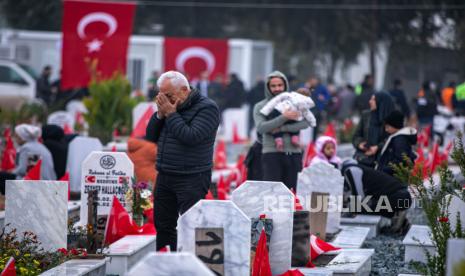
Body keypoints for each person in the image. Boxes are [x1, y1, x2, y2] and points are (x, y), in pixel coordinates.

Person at [145, 71, 220, 251]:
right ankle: (164, 267)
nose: (164, 100)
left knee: (192, 227)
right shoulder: (167, 108)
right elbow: (150, 137)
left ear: (184, 90)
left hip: (192, 177)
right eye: (161, 96)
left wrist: (171, 114)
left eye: (168, 95)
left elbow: (191, 137)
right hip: (165, 175)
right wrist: (160, 115)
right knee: (163, 227)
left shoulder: (207, 108)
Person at [253, 71, 311, 190]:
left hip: (293, 152)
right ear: (268, 87)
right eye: (273, 86)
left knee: (293, 192)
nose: (277, 88)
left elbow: (306, 122)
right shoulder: (260, 106)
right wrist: (284, 117)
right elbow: (262, 127)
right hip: (271, 153)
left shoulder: (296, 102)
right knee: (272, 193)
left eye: (280, 85)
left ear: (285, 86)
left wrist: (283, 128)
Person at [341, 159, 411, 233]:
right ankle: (398, 219)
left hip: (398, 197)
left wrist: (347, 214)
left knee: (360, 208)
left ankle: (398, 220)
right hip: (403, 196)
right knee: (365, 206)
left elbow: (359, 197)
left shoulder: (350, 170)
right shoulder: (365, 171)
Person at [352, 92, 395, 167]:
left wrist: (377, 147)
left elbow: (392, 139)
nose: (370, 101)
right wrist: (360, 144)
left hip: (383, 161)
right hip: (364, 158)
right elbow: (356, 136)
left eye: (373, 100)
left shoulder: (392, 119)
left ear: (381, 102)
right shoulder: (366, 115)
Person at [376, 110, 417, 176]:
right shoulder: (396, 137)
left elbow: (400, 160)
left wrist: (384, 170)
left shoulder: (400, 140)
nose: (386, 130)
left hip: (394, 176)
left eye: (387, 127)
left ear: (395, 125)